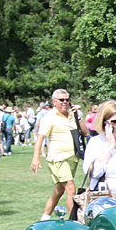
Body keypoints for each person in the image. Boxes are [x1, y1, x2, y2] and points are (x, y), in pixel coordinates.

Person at [31, 89, 88, 221]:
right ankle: (74, 220)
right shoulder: (49, 117)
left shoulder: (72, 116)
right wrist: (36, 158)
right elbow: (40, 139)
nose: (65, 102)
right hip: (58, 158)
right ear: (54, 102)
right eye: (61, 100)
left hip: (72, 158)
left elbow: (85, 133)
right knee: (71, 188)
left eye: (67, 100)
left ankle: (44, 217)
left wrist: (77, 117)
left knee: (59, 190)